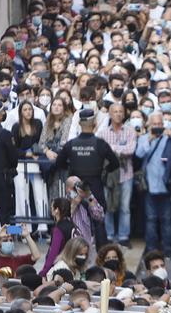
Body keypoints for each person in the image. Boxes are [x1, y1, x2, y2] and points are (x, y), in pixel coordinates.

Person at [56, 109, 120, 243]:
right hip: (95, 185)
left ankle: (76, 251)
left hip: (75, 187)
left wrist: (71, 170)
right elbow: (115, 163)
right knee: (99, 221)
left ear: (79, 123)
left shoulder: (71, 144)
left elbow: (59, 162)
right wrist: (104, 171)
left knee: (76, 220)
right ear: (95, 123)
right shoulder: (100, 144)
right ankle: (102, 254)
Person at [136, 110, 171, 258]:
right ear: (149, 125)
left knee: (166, 220)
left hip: (166, 186)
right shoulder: (145, 138)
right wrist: (149, 139)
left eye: (160, 124)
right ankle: (151, 250)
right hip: (150, 187)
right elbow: (138, 154)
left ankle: (168, 249)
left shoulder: (169, 137)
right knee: (150, 220)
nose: (157, 126)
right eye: (155, 124)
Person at [98, 103, 138, 247]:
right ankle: (109, 235)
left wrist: (112, 150)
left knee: (125, 207)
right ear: (110, 114)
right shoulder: (102, 133)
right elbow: (101, 152)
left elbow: (131, 149)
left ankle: (123, 236)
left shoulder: (130, 130)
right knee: (107, 206)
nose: (118, 114)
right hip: (108, 175)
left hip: (126, 174)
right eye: (115, 111)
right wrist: (119, 150)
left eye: (121, 111)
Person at [12, 100, 47, 226]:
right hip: (21, 165)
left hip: (37, 165)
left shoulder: (38, 124)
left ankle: (43, 228)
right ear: (21, 112)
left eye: (30, 109)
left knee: (40, 196)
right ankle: (23, 229)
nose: (28, 112)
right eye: (25, 109)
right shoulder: (16, 127)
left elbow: (42, 142)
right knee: (22, 197)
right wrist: (26, 154)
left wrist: (36, 153)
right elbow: (13, 149)